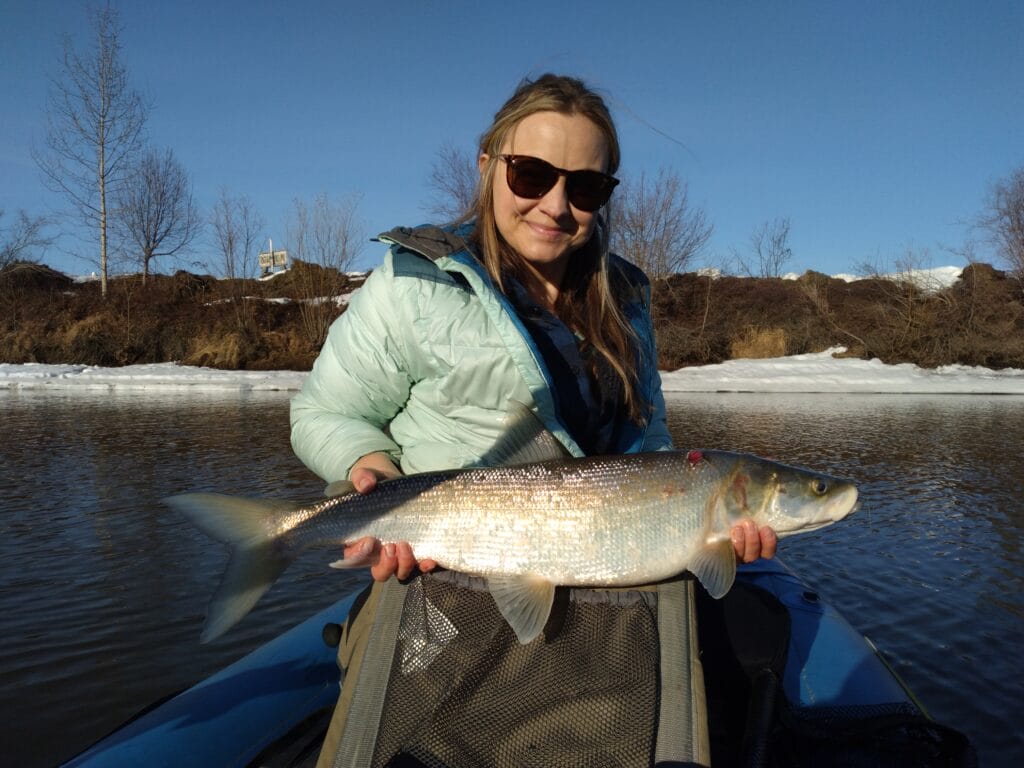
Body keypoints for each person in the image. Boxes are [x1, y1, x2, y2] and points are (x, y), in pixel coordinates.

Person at [291, 73, 776, 767]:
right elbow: (325, 411)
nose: (555, 204)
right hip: (437, 588)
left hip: (610, 597)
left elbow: (649, 444)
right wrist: (373, 471)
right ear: (487, 166)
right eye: (531, 174)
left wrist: (707, 526)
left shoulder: (625, 299)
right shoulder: (414, 282)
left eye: (586, 187)